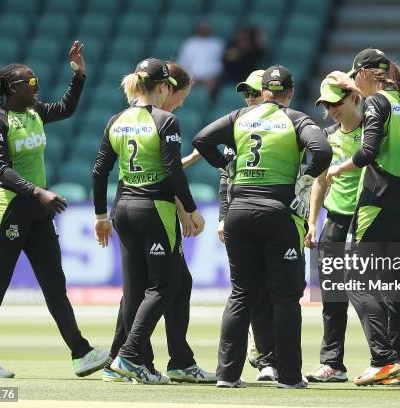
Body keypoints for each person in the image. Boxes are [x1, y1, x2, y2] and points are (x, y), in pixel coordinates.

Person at [0, 41, 109, 378]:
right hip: (9, 209)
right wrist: (38, 192)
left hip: (36, 211)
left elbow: (66, 108)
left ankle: (81, 352)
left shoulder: (34, 113)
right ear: (12, 89)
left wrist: (79, 76)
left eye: (37, 82)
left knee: (53, 282)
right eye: (30, 84)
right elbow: (2, 170)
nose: (37, 88)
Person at [193, 65, 332, 389]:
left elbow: (201, 139)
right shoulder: (296, 119)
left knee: (241, 294)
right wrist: (305, 176)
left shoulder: (241, 116)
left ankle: (227, 375)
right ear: (290, 92)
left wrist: (227, 162)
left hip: (239, 210)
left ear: (264, 92)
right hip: (277, 211)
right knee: (284, 297)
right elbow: (322, 150)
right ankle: (288, 376)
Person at [99, 62, 215, 384]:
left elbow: (126, 172)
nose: (181, 103)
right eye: (182, 96)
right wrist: (188, 209)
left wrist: (104, 215)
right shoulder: (163, 120)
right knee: (159, 286)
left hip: (126, 206)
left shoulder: (123, 120)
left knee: (164, 285)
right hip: (152, 210)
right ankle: (129, 357)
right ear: (167, 88)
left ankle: (169, 359)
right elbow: (166, 173)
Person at [327, 48, 400, 386]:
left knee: (355, 279)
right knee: (394, 283)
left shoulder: (376, 103)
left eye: (355, 75)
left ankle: (383, 358)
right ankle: (393, 363)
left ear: (366, 73)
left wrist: (339, 168)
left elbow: (368, 151)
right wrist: (347, 80)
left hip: (377, 201)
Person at [182, 69, 278, 381]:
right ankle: (266, 359)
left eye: (254, 92)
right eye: (246, 94)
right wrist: (223, 216)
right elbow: (227, 180)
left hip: (275, 216)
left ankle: (264, 355)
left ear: (267, 93)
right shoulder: (238, 128)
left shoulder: (283, 126)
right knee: (251, 290)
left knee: (272, 291)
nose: (248, 98)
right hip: (242, 217)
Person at [304, 75, 363, 383]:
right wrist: (313, 222)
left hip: (366, 221)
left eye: (336, 102)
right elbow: (319, 181)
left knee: (370, 295)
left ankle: (384, 360)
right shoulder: (327, 135)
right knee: (332, 296)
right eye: (326, 104)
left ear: (354, 97)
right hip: (335, 221)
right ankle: (332, 364)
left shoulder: (373, 132)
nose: (331, 109)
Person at [177, 19, 225, 94]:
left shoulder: (217, 44)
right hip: (192, 79)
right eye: (202, 28)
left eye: (206, 28)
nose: (204, 30)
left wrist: (213, 78)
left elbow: (220, 65)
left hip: (210, 79)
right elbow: (183, 64)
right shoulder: (189, 43)